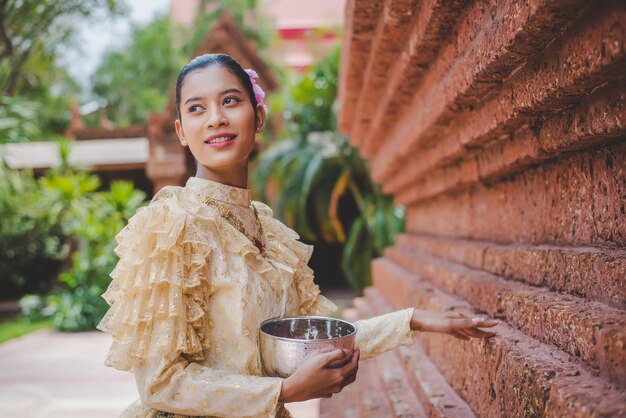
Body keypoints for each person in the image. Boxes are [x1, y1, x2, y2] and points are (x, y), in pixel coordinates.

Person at [96, 53, 498, 418]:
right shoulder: (170, 226)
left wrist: (414, 320)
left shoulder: (271, 233)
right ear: (182, 132)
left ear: (259, 116)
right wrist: (283, 391)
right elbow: (159, 383)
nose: (216, 118)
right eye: (197, 108)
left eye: (230, 101)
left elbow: (319, 335)